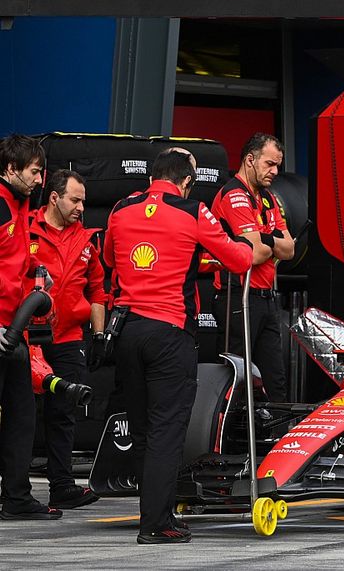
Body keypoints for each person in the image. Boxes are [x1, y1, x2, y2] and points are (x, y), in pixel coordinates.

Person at [104, 150, 253, 544]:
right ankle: (155, 524)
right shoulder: (193, 210)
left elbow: (109, 258)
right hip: (170, 332)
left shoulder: (121, 208)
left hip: (127, 331)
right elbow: (240, 259)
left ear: (152, 176)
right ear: (187, 181)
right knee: (167, 431)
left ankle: (155, 512)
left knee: (142, 431)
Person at [26, 169, 106, 510]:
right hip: (28, 337)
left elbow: (99, 291)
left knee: (63, 414)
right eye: (75, 200)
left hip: (70, 338)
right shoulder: (25, 228)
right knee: (21, 413)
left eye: (84, 201)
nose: (81, 207)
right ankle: (15, 489)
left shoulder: (89, 238)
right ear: (54, 197)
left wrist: (100, 335)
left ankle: (61, 485)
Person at [0, 135, 61, 521]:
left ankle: (18, 498)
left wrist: (38, 279)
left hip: (13, 332)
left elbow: (13, 267)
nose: (41, 180)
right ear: (10, 169)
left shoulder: (21, 206)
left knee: (23, 416)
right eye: (35, 172)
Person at [211, 134, 293, 402]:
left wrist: (264, 238)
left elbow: (289, 249)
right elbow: (255, 254)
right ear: (250, 159)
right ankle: (231, 443)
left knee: (276, 381)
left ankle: (277, 442)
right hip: (237, 296)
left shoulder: (267, 197)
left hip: (266, 298)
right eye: (269, 164)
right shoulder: (234, 194)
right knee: (238, 380)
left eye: (278, 165)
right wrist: (270, 242)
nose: (275, 171)